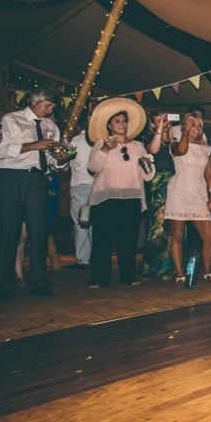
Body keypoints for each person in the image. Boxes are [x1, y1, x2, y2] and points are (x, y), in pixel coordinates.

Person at [0, 87, 69, 299]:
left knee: (39, 231)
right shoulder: (11, 120)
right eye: (48, 105)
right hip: (11, 177)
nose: (50, 110)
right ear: (34, 101)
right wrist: (35, 145)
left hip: (38, 179)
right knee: (10, 232)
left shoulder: (51, 126)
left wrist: (61, 159)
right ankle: (5, 285)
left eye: (52, 106)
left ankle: (39, 281)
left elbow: (53, 161)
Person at [86, 98, 155, 288]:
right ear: (109, 125)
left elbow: (148, 176)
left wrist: (148, 164)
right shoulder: (100, 144)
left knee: (128, 240)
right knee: (102, 241)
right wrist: (106, 150)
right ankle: (99, 277)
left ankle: (129, 276)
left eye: (124, 121)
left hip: (131, 197)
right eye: (117, 121)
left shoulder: (137, 147)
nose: (122, 124)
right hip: (106, 198)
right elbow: (92, 167)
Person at [165, 113, 211, 284]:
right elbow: (182, 150)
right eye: (191, 124)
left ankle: (207, 271)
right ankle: (180, 274)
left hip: (199, 193)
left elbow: (209, 175)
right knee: (178, 235)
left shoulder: (206, 149)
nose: (196, 127)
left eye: (199, 125)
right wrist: (184, 133)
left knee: (209, 237)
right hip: (179, 192)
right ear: (184, 127)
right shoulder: (174, 144)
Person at [140, 111, 176, 280]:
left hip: (173, 188)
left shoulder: (168, 143)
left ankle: (167, 267)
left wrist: (168, 130)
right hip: (159, 190)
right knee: (158, 228)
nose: (164, 121)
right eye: (159, 120)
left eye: (165, 118)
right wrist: (161, 128)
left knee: (171, 229)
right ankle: (152, 268)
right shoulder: (149, 141)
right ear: (152, 124)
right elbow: (152, 150)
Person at [67, 113, 94, 270]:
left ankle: (84, 259)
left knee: (81, 223)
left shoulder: (76, 141)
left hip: (81, 185)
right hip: (98, 186)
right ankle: (95, 256)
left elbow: (67, 163)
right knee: (95, 224)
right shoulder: (102, 139)